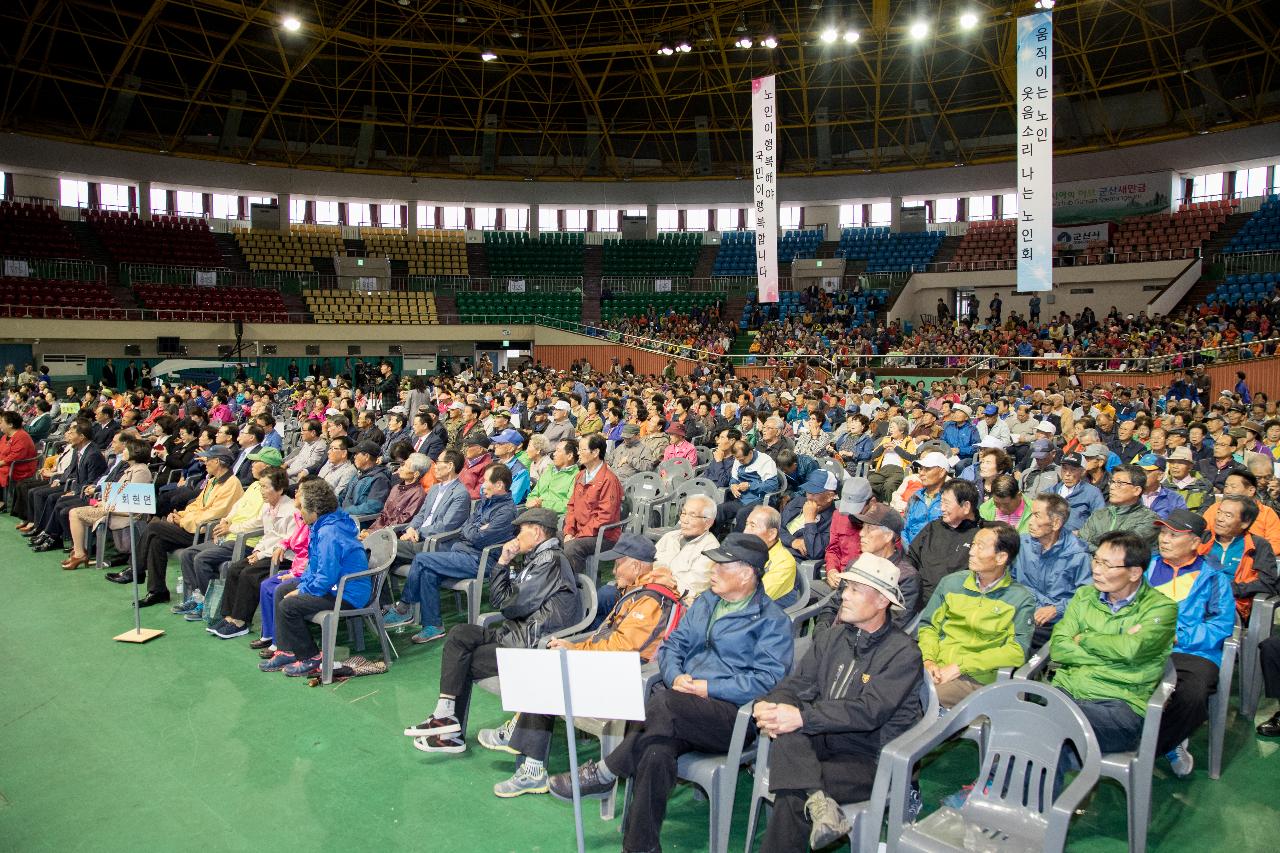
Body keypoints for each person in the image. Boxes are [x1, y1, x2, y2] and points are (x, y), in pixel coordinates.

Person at [545, 534, 793, 853]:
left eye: (722, 564)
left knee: (661, 702)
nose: (713, 569)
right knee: (655, 749)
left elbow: (768, 680)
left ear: (747, 573)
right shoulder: (706, 601)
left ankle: (607, 771)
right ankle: (641, 847)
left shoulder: (773, 622)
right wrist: (676, 676)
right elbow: (673, 645)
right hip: (680, 708)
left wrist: (708, 687)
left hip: (730, 717)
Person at [478, 533, 684, 797]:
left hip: (629, 681)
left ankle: (532, 768)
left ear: (636, 566)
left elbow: (623, 648)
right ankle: (525, 745)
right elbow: (607, 639)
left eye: (619, 563)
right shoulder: (637, 592)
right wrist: (574, 649)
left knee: (548, 675)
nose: (615, 569)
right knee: (546, 664)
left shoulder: (652, 600)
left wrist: (576, 650)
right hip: (612, 669)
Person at [753, 552, 924, 851]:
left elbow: (868, 712)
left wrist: (803, 718)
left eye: (855, 590)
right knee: (785, 725)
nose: (844, 596)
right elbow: (797, 684)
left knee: (792, 794)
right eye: (846, 588)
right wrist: (771, 704)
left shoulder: (903, 653)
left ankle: (812, 797)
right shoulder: (833, 638)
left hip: (871, 759)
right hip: (823, 743)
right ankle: (819, 801)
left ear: (882, 601)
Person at [403, 507, 580, 754]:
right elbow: (501, 600)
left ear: (537, 533)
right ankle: (445, 716)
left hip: (530, 642)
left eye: (521, 531)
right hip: (515, 632)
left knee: (464, 659)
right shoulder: (536, 558)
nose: (516, 537)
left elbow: (510, 605)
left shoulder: (550, 560)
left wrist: (507, 580)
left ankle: (450, 734)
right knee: (460, 634)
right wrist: (503, 561)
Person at [1049, 530, 1177, 780]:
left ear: (1134, 572)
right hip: (1066, 690)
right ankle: (1030, 811)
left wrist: (1084, 638)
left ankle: (999, 799)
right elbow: (1059, 647)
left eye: (1107, 564)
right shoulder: (1084, 596)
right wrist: (1114, 650)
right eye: (1096, 560)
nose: (1097, 569)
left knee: (1046, 726)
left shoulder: (1162, 607)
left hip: (1119, 705)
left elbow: (1132, 649)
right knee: (1020, 715)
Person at [1145, 509, 1236, 776]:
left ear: (1195, 542)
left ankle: (1155, 747)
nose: (1164, 539)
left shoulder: (1213, 575)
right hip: (1146, 644)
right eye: (1162, 532)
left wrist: (1179, 636)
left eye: (1174, 535)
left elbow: (1220, 624)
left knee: (1193, 694)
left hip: (1192, 651)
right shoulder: (1146, 566)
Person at [384, 462, 517, 643]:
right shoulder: (485, 502)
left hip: (481, 560)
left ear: (499, 484)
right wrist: (476, 529)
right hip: (463, 552)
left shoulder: (506, 511)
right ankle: (433, 626)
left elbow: (479, 538)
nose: (482, 485)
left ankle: (403, 608)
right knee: (428, 571)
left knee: (422, 560)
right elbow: (467, 529)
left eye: (486, 481)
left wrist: (474, 531)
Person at [258, 478, 370, 677]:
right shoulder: (321, 525)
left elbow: (326, 576)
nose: (299, 513)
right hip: (332, 586)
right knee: (282, 590)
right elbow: (315, 567)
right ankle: (288, 650)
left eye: (302, 509)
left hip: (347, 594)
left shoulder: (329, 532)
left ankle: (311, 657)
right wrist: (302, 584)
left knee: (289, 605)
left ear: (315, 510)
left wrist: (303, 590)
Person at [917, 523, 1036, 707]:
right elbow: (928, 626)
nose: (971, 552)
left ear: (1001, 557)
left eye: (980, 546)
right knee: (887, 687)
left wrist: (960, 666)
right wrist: (929, 660)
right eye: (973, 544)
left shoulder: (1020, 599)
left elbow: (1017, 651)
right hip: (936, 668)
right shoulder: (951, 583)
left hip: (977, 678)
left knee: (920, 698)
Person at [113, 445, 243, 605]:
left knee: (154, 527)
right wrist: (180, 515)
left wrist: (181, 520)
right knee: (156, 541)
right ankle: (157, 591)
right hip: (192, 527)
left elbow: (213, 514)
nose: (205, 463)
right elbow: (197, 505)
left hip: (205, 532)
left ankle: (136, 570)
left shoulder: (232, 484)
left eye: (208, 459)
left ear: (217, 461)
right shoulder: (213, 481)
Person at [173, 449, 282, 613]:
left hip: (246, 541)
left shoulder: (271, 491)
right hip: (229, 535)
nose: (251, 465)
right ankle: (197, 599)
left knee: (201, 559)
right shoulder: (254, 485)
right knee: (189, 554)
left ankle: (211, 605)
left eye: (255, 462)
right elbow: (236, 508)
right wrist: (225, 521)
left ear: (267, 466)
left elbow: (260, 522)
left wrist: (230, 527)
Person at [198, 467, 298, 636]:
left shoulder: (291, 511)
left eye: (266, 487)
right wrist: (257, 549)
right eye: (260, 486)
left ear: (280, 489)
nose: (261, 491)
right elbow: (267, 534)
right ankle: (229, 617)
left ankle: (241, 622)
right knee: (235, 569)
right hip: (266, 551)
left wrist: (260, 555)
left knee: (249, 574)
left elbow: (287, 542)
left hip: (284, 556)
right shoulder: (267, 507)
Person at [1011, 493, 1092, 647]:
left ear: (1055, 523)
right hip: (1022, 612)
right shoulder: (1022, 544)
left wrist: (1057, 609)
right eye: (1030, 515)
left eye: (1036, 516)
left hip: (1055, 622)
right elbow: (1009, 579)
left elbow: (1087, 597)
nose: (1030, 522)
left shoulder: (1077, 555)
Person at [61, 435, 153, 570]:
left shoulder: (141, 471)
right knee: (80, 506)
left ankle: (80, 554)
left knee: (74, 513)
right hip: (111, 506)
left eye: (127, 449)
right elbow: (119, 493)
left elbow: (133, 501)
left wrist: (106, 504)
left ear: (136, 452)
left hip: (122, 512)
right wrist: (103, 502)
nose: (124, 452)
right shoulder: (130, 469)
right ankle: (79, 552)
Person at [1204, 494, 1280, 622]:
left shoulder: (1258, 545)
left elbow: (1267, 583)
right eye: (1219, 512)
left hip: (1232, 606)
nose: (1219, 519)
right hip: (1195, 599)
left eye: (1228, 515)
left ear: (1245, 523)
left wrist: (1227, 588)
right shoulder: (1202, 539)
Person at [908, 478, 982, 603]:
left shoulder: (981, 534)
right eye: (941, 503)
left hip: (958, 604)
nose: (941, 508)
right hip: (921, 601)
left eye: (946, 504)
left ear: (966, 506)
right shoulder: (933, 528)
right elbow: (911, 559)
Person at [561, 433, 623, 577]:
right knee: (549, 538)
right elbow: (571, 506)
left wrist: (578, 535)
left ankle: (572, 588)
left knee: (572, 547)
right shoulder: (580, 475)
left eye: (582, 450)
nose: (578, 453)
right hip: (580, 531)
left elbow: (604, 517)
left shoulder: (609, 479)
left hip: (603, 535)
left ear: (595, 452)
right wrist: (569, 531)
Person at [396, 449, 471, 564]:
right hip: (417, 538)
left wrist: (418, 532)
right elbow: (421, 515)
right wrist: (411, 529)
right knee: (382, 544)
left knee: (386, 547)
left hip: (435, 543)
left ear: (450, 466)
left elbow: (445, 526)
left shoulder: (460, 494)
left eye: (438, 462)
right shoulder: (434, 488)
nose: (434, 466)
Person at [1078, 463, 1160, 556]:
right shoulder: (1099, 514)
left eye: (1120, 483)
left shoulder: (1149, 519)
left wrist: (1094, 545)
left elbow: (1120, 549)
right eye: (1112, 482)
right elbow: (1080, 542)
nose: (1112, 487)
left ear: (1137, 490)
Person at [651, 493, 720, 601]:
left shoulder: (711, 549)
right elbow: (648, 564)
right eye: (683, 513)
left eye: (692, 515)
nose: (684, 520)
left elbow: (692, 589)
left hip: (675, 604)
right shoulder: (670, 537)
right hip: (649, 591)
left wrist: (659, 580)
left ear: (708, 523)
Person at [1201, 468, 1280, 556]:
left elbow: (1275, 544)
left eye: (1233, 487)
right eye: (1226, 486)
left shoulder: (1267, 513)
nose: (1227, 491)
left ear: (1251, 490)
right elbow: (1202, 536)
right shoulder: (1215, 509)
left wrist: (1249, 556)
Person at [716, 438, 781, 534]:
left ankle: (737, 543)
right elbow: (734, 478)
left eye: (742, 460)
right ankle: (713, 538)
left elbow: (772, 485)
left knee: (742, 513)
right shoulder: (738, 459)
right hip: (742, 498)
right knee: (720, 509)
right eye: (737, 459)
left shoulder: (765, 461)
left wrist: (750, 485)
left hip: (760, 500)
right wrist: (733, 485)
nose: (739, 462)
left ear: (750, 453)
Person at [360, 453, 429, 536]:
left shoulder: (419, 494)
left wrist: (373, 533)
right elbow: (384, 515)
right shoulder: (396, 488)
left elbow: (402, 521)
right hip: (380, 532)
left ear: (416, 474)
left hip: (393, 535)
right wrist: (370, 530)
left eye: (405, 466)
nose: (400, 469)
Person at [744, 504, 800, 606]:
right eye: (746, 524)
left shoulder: (783, 563)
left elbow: (753, 600)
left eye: (752, 526)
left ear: (772, 534)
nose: (745, 531)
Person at [779, 468, 838, 563]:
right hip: (773, 548)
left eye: (814, 493)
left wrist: (810, 520)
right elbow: (775, 527)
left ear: (829, 496)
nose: (808, 497)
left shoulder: (834, 520)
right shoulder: (797, 501)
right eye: (808, 491)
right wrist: (792, 541)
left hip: (790, 560)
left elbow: (814, 552)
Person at [1052, 452, 1104, 534]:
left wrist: (1080, 533)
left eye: (1073, 470)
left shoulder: (1092, 493)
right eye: (1064, 469)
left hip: (1078, 541)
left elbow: (1100, 522)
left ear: (1083, 472)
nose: (1067, 474)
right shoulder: (1051, 491)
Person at [524, 439, 579, 513]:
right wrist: (531, 501)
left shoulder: (576, 476)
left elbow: (569, 505)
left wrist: (542, 504)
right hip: (535, 512)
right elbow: (534, 493)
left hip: (556, 517)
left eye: (558, 451)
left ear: (569, 456)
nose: (554, 454)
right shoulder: (549, 470)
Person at [1137, 453, 1187, 519]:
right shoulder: (1128, 494)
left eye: (1146, 472)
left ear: (1160, 476)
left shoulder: (1175, 499)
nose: (1140, 475)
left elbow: (1181, 523)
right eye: (1139, 471)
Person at [0, 411, 37, 499]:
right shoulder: (5, 436)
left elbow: (15, 457)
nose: (0, 424)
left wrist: (1, 463)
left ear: (10, 425)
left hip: (19, 468)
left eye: (1, 421)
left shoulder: (22, 437)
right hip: (7, 464)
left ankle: (1, 502)